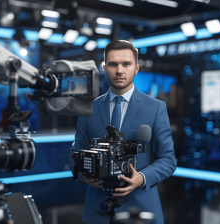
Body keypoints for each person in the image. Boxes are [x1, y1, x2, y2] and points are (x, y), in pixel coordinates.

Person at [68, 40, 177, 224]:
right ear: (104, 68)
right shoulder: (88, 109)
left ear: (136, 68)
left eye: (126, 64)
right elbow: (74, 153)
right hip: (97, 212)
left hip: (141, 211)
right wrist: (82, 174)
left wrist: (141, 178)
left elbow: (168, 159)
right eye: (113, 64)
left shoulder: (156, 108)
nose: (119, 70)